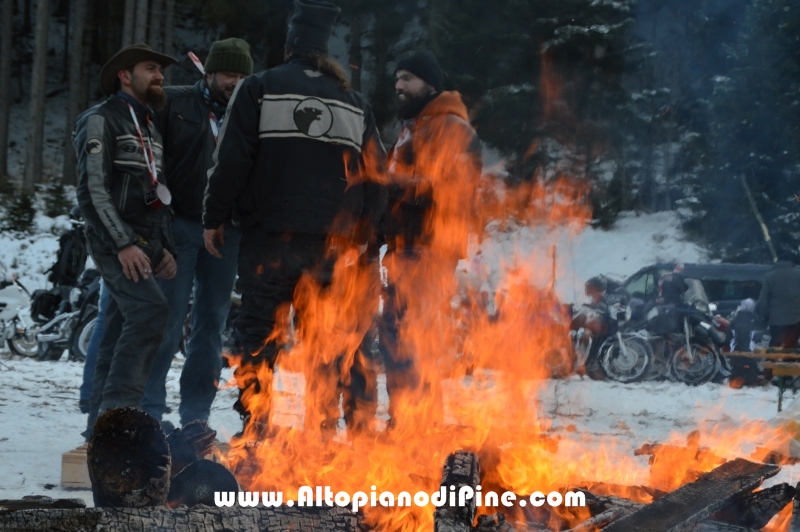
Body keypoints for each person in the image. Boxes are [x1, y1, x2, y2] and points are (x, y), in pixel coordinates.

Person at [202, 0, 386, 440]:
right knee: (324, 342)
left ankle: (257, 429)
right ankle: (320, 432)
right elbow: (378, 175)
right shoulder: (354, 101)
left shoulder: (259, 88)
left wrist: (215, 216)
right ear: (326, 50)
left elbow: (231, 160)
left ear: (289, 47)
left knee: (258, 335)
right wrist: (366, 236)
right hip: (332, 245)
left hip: (270, 239)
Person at [141, 38, 253, 426]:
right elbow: (149, 160)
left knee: (212, 324)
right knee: (167, 321)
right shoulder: (173, 103)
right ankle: (149, 413)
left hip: (228, 233)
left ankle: (195, 418)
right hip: (180, 226)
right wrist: (157, 219)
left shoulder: (250, 112)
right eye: (227, 74)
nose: (234, 82)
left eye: (241, 76)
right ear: (209, 73)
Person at [74, 43, 179, 437]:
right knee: (151, 313)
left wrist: (164, 245)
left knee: (119, 328)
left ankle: (97, 431)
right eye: (151, 68)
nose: (159, 76)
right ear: (124, 74)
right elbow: (92, 191)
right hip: (115, 242)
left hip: (146, 241)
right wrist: (122, 243)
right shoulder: (100, 119)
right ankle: (121, 423)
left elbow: (158, 191)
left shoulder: (149, 125)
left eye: (161, 70)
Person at [377, 50, 482, 428]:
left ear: (430, 84)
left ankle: (415, 426)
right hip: (403, 247)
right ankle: (407, 422)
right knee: (399, 333)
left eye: (408, 78)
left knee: (409, 334)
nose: (399, 86)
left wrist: (390, 185)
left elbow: (450, 188)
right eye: (396, 80)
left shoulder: (453, 128)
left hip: (431, 247)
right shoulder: (412, 127)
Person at [756, 259, 800, 348]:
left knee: (776, 343)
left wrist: (766, 316)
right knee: (792, 342)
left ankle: (772, 360)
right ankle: (792, 360)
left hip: (776, 319)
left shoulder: (769, 276)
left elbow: (763, 300)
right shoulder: (798, 275)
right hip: (796, 318)